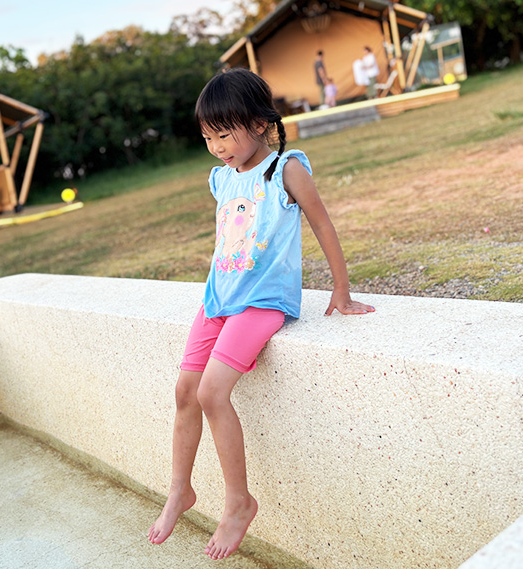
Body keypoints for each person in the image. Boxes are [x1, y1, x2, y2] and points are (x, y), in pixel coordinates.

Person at [147, 68, 375, 560]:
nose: (216, 147)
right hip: (218, 301)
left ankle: (238, 503)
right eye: (208, 137)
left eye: (224, 134)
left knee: (211, 392)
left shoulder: (286, 169)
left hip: (262, 303)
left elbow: (323, 224)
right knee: (184, 390)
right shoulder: (221, 179)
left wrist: (341, 290)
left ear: (257, 122)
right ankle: (179, 492)